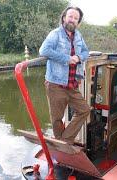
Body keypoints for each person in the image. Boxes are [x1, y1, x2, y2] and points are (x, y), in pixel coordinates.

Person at [39, 6, 90, 147]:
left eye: (75, 18)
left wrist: (79, 57)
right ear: (64, 18)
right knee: (57, 118)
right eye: (70, 16)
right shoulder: (55, 34)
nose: (72, 20)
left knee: (84, 110)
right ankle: (61, 146)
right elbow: (43, 50)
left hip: (72, 84)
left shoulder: (78, 35)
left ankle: (64, 141)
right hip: (56, 84)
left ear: (78, 22)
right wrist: (66, 58)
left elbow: (86, 52)